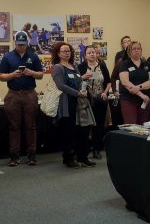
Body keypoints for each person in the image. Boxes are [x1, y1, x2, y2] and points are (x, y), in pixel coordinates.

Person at [0, 31, 43, 166]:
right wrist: (13, 75)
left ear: (27, 43)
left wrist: (31, 73)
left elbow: (40, 75)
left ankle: (31, 156)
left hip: (30, 94)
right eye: (19, 44)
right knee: (14, 127)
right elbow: (1, 76)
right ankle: (14, 156)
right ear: (15, 42)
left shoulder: (33, 56)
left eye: (24, 44)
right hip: (13, 95)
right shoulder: (7, 57)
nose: (21, 47)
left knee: (31, 126)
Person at [51, 42, 96, 168]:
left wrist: (83, 89)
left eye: (68, 51)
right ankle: (68, 159)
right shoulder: (58, 67)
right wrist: (77, 93)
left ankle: (83, 157)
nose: (67, 53)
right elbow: (61, 86)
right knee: (68, 132)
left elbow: (79, 80)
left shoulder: (73, 66)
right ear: (58, 53)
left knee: (82, 130)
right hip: (66, 103)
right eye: (64, 51)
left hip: (79, 102)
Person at [78, 46, 111, 159]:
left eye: (93, 52)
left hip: (100, 98)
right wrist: (82, 77)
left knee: (99, 125)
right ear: (85, 55)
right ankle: (86, 149)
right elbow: (76, 81)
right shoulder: (81, 66)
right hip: (86, 100)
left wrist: (105, 93)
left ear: (96, 54)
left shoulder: (102, 65)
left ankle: (97, 149)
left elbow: (108, 82)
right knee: (87, 126)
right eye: (89, 53)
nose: (91, 54)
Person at [119, 41, 150, 124]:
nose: (136, 50)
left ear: (141, 50)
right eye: (134, 49)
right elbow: (125, 82)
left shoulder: (147, 64)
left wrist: (138, 87)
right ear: (129, 51)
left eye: (138, 48)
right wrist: (141, 94)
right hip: (129, 100)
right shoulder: (125, 64)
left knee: (143, 126)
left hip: (145, 100)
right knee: (131, 126)